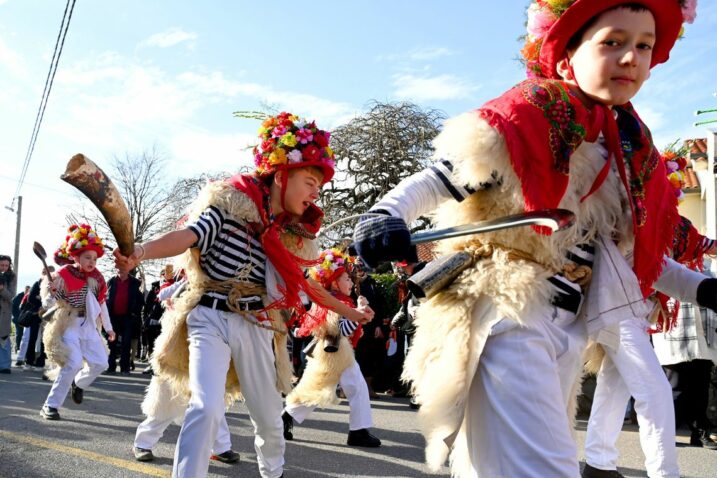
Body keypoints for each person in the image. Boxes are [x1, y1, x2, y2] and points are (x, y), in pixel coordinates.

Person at [351, 1, 713, 476]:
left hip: (570, 326)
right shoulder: (526, 116)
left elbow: (621, 253)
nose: (632, 58)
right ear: (567, 55)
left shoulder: (629, 149)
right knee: (547, 469)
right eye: (613, 42)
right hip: (509, 313)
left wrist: (698, 288)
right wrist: (384, 215)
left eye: (644, 45)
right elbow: (444, 176)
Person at [114, 112, 372, 478]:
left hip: (255, 323)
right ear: (282, 175)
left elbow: (307, 284)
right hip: (208, 316)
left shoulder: (286, 233)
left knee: (268, 418)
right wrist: (141, 250)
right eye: (311, 181)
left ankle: (273, 472)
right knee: (205, 406)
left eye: (319, 187)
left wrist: (352, 313)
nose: (316, 193)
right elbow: (188, 236)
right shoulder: (229, 205)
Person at [282, 248, 381, 447]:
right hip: (335, 355)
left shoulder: (337, 300)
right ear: (334, 281)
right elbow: (340, 330)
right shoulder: (332, 303)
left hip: (336, 354)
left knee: (335, 389)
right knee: (329, 389)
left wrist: (359, 313)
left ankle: (285, 419)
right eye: (347, 279)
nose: (352, 283)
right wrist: (358, 315)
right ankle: (357, 432)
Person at [40, 224, 116, 420]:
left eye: (94, 258)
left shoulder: (97, 278)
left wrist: (108, 328)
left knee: (101, 363)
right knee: (72, 364)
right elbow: (49, 301)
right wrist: (52, 294)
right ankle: (50, 406)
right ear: (76, 257)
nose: (92, 262)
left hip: (90, 326)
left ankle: (79, 384)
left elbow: (102, 305)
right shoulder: (64, 274)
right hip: (70, 324)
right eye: (87, 257)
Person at [106, 265, 144, 374]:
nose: (120, 270)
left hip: (128, 317)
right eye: (118, 268)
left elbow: (140, 301)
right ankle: (111, 366)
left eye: (123, 268)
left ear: (128, 269)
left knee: (126, 344)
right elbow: (106, 298)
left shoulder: (135, 283)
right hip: (113, 317)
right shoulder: (111, 281)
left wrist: (134, 314)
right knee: (111, 343)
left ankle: (125, 367)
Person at [0, 254, 17, 373]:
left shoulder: (11, 277)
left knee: (3, 338)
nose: (4, 267)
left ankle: (5, 366)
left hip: (3, 312)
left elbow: (11, 295)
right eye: (2, 265)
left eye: (6, 265)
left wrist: (1, 289)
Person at [11, 285, 29, 357]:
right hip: (17, 318)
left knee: (24, 334)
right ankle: (18, 347)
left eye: (29, 290)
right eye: (27, 290)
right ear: (25, 290)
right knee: (19, 333)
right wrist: (16, 315)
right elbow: (12, 305)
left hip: (25, 319)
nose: (28, 292)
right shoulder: (19, 296)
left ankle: (21, 348)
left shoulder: (28, 296)